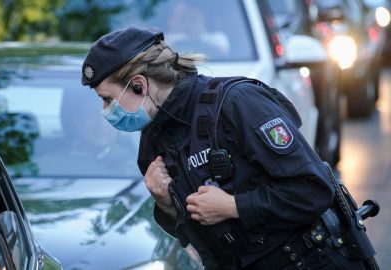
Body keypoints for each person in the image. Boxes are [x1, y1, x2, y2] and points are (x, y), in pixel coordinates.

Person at [81, 26, 366, 269]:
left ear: (139, 85)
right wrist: (167, 206)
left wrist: (234, 206)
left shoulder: (237, 103)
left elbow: (313, 190)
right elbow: (194, 242)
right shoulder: (153, 143)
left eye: (108, 99)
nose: (106, 110)